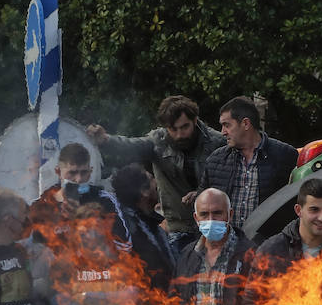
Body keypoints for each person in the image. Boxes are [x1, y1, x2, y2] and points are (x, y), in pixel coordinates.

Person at [28, 143, 134, 305]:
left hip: (100, 292)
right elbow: (35, 258)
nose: (78, 179)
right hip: (60, 299)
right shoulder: (42, 206)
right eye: (72, 173)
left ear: (91, 171)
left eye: (84, 173)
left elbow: (126, 247)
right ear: (59, 172)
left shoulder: (104, 200)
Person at [87, 95, 225, 246]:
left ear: (195, 120)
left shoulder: (217, 142)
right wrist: (107, 140)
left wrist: (202, 193)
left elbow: (227, 181)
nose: (180, 134)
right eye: (173, 129)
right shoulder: (158, 141)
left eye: (185, 127)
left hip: (215, 223)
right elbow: (132, 146)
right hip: (179, 227)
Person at [171, 188, 253, 305]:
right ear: (196, 218)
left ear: (229, 215)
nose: (211, 220)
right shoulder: (188, 256)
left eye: (217, 213)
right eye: (204, 214)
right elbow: (174, 302)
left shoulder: (250, 256)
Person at [200, 96, 298, 235]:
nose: (222, 132)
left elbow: (295, 205)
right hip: (227, 246)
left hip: (268, 248)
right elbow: (201, 204)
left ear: (246, 124)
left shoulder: (285, 156)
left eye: (227, 125)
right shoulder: (216, 159)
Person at [110, 163, 175, 292]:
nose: (156, 182)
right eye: (151, 179)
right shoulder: (131, 230)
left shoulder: (149, 222)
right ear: (144, 191)